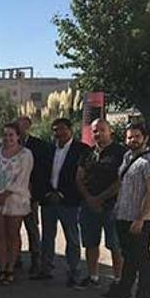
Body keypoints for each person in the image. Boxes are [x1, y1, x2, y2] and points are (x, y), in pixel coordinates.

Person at [102, 124, 150, 298]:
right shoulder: (128, 158)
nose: (132, 140)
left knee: (142, 256)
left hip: (140, 218)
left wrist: (141, 218)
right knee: (128, 255)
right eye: (129, 137)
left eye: (136, 136)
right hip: (123, 215)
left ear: (145, 138)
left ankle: (144, 297)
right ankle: (124, 289)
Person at [32, 118, 92, 287]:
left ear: (70, 130)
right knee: (48, 236)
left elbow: (84, 177)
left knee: (72, 237)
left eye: (62, 129)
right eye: (56, 130)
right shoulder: (48, 149)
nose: (59, 133)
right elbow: (41, 174)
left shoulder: (81, 150)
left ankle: (74, 271)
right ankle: (46, 269)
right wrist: (47, 193)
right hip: (48, 200)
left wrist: (64, 194)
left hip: (70, 201)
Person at [75, 119, 127, 289]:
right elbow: (79, 178)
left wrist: (101, 198)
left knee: (115, 244)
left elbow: (121, 180)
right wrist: (89, 198)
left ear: (110, 131)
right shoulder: (87, 153)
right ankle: (93, 276)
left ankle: (119, 279)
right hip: (88, 205)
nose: (98, 134)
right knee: (90, 243)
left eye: (102, 130)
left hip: (112, 206)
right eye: (95, 131)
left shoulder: (121, 152)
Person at [0, 123, 34, 285]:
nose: (8, 138)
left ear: (18, 136)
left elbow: (23, 178)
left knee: (13, 234)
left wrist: (6, 194)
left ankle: (11, 267)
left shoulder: (25, 154)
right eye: (5, 135)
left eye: (11, 135)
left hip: (15, 199)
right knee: (1, 235)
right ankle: (2, 267)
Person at [17, 116, 53, 274]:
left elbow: (42, 171)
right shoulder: (10, 144)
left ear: (29, 127)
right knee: (14, 228)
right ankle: (15, 257)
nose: (21, 129)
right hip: (13, 195)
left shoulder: (39, 146)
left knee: (31, 227)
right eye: (18, 126)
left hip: (31, 194)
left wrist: (36, 194)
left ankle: (35, 258)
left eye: (24, 126)